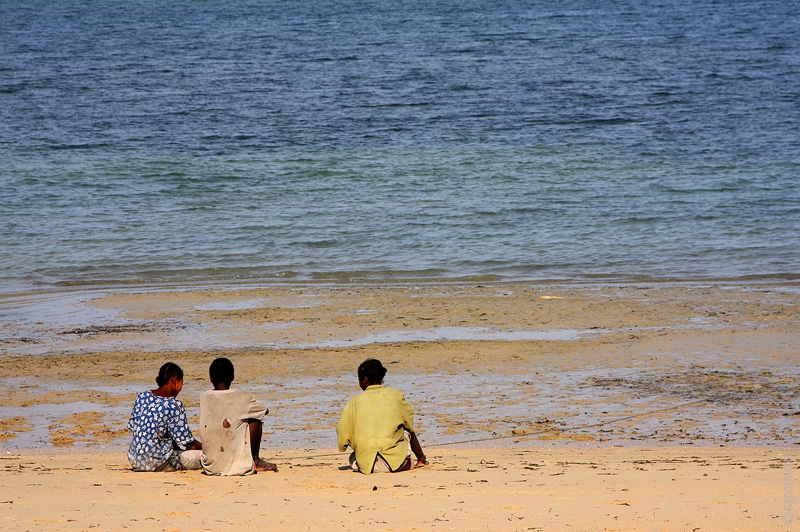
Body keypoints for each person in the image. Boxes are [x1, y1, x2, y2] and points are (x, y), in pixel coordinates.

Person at [336, 358, 428, 475]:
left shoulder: (354, 401)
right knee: (405, 430)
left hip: (367, 466)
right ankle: (415, 461)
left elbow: (342, 431)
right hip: (395, 462)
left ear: (365, 380)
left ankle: (366, 459)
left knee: (355, 449)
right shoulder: (396, 395)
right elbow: (409, 426)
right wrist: (421, 457)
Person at [198, 357, 277, 475]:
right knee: (255, 418)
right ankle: (255, 460)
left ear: (210, 378)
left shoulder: (203, 397)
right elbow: (264, 410)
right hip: (239, 468)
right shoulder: (243, 397)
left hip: (210, 467)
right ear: (233, 377)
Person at [127, 362, 202, 472]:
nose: (180, 388)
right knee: (202, 456)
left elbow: (133, 426)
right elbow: (187, 442)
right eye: (181, 383)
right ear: (175, 380)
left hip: (135, 459)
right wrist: (206, 448)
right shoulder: (174, 405)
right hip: (159, 462)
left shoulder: (143, 396)